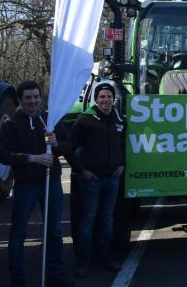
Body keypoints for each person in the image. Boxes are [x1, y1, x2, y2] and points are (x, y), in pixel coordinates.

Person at [0, 81, 74, 287]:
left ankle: (55, 273)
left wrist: (57, 143)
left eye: (36, 97)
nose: (33, 101)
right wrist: (32, 158)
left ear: (41, 98)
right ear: (20, 100)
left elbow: (68, 147)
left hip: (51, 182)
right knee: (18, 233)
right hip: (26, 185)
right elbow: (3, 154)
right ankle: (18, 278)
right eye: (28, 98)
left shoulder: (49, 119)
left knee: (54, 232)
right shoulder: (11, 122)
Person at [68, 83, 126, 277]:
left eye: (108, 96)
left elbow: (123, 145)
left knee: (107, 220)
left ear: (113, 99)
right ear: (96, 99)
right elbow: (70, 147)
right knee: (88, 220)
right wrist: (81, 171)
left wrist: (121, 164)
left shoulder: (119, 119)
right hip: (92, 179)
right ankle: (83, 261)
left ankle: (104, 257)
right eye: (101, 97)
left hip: (112, 179)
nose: (105, 100)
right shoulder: (85, 120)